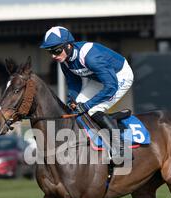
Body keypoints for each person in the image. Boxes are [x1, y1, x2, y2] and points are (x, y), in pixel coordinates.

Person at [40, 26, 134, 161]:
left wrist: (88, 105)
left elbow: (111, 86)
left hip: (118, 77)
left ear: (68, 46)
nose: (54, 56)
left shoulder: (91, 57)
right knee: (76, 108)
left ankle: (121, 148)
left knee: (94, 108)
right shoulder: (64, 61)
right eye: (50, 52)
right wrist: (71, 100)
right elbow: (74, 83)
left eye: (56, 50)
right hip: (99, 79)